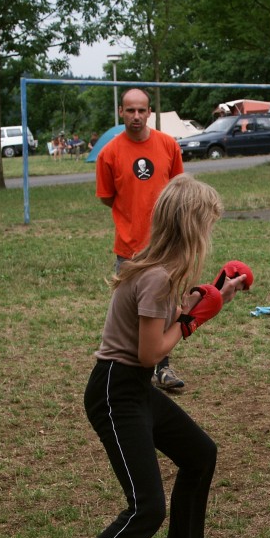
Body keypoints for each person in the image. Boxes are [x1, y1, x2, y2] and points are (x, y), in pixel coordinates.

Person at [55, 174, 246, 538]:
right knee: (146, 508)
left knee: (200, 454)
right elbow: (150, 353)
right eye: (209, 225)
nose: (210, 235)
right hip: (115, 391)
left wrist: (209, 297)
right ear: (193, 228)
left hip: (133, 387)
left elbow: (161, 321)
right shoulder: (157, 276)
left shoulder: (159, 268)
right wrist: (193, 321)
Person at [97, 88, 186, 391]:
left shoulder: (168, 145)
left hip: (166, 245)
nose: (136, 116)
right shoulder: (109, 153)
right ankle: (133, 371)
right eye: (130, 110)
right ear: (121, 112)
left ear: (149, 112)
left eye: (141, 110)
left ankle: (163, 367)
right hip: (129, 247)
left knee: (166, 305)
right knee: (133, 311)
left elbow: (178, 192)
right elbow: (107, 197)